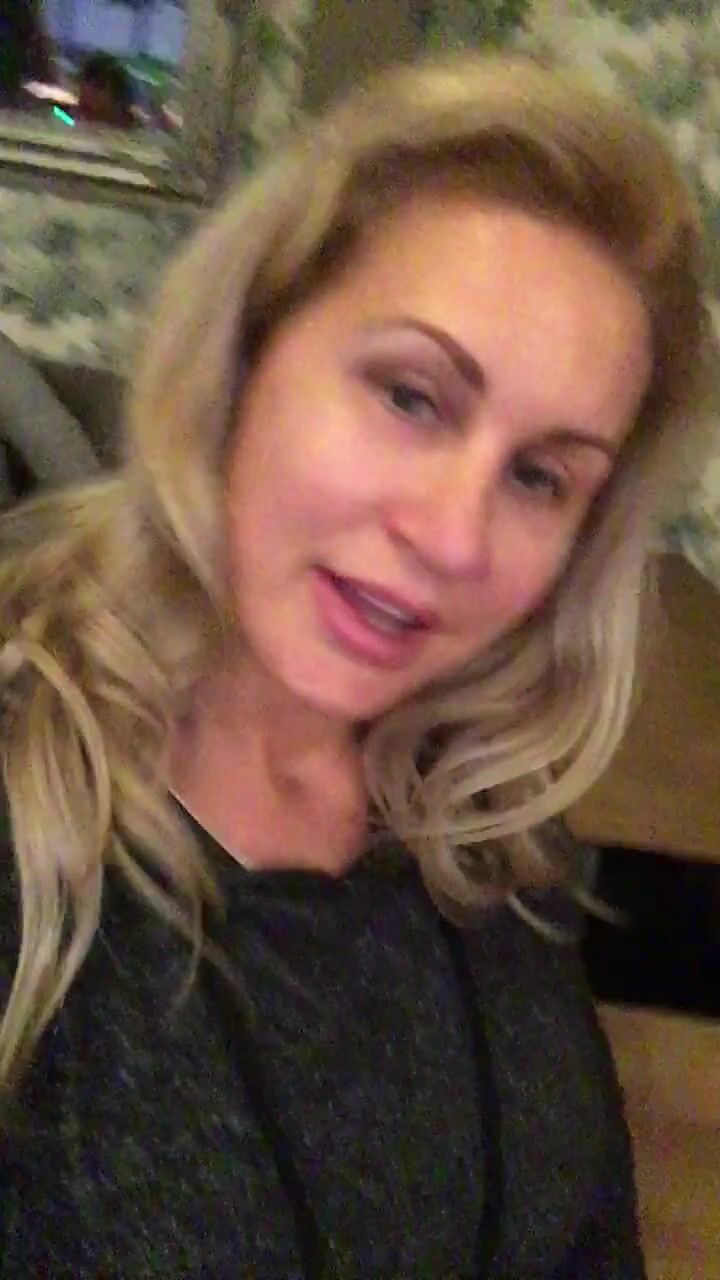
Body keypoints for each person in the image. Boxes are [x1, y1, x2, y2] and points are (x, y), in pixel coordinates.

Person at [0, 51, 713, 1278]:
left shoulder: (480, 820)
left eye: (539, 475)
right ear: (247, 347)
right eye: (412, 397)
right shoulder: (31, 822)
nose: (453, 536)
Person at [76, 51, 136, 129]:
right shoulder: (68, 117)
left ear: (119, 102)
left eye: (98, 85)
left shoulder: (140, 132)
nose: (86, 91)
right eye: (84, 81)